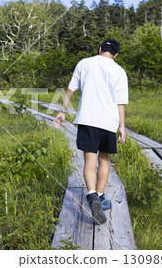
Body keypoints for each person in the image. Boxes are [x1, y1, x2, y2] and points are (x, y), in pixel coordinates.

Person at [53, 39, 128, 225]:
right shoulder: (120, 71)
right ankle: (101, 197)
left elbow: (70, 91)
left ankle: (92, 195)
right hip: (108, 123)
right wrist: (122, 127)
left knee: (89, 161)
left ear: (100, 49)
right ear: (116, 54)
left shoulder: (84, 63)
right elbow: (121, 103)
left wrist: (62, 112)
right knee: (104, 160)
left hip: (87, 120)